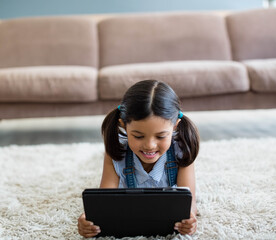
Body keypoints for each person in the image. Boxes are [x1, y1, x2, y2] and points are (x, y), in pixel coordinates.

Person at [78, 79, 200, 237]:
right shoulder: (116, 152)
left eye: (161, 136)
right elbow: (104, 202)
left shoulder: (182, 151)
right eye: (138, 136)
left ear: (175, 126)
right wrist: (89, 220)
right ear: (124, 125)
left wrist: (189, 219)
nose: (150, 145)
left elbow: (190, 202)